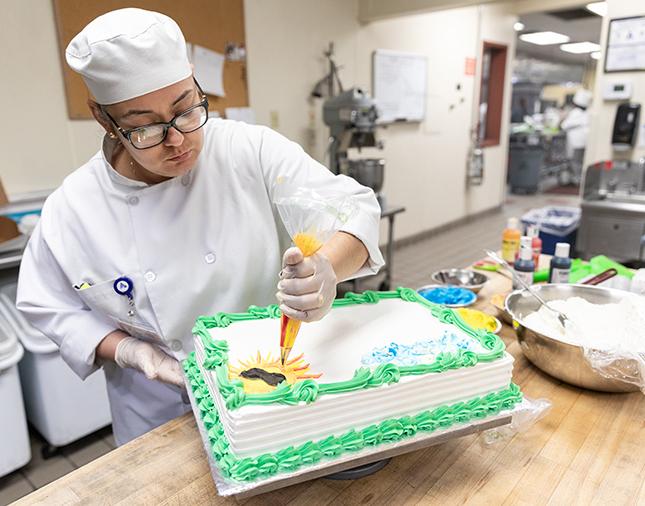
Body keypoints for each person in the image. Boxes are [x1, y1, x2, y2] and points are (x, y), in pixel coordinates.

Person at [16, 8, 384, 446]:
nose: (177, 140)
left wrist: (326, 267)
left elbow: (354, 209)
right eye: (145, 127)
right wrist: (128, 350)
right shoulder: (73, 207)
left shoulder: (250, 150)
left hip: (269, 385)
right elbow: (48, 303)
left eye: (186, 108)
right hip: (153, 407)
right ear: (103, 118)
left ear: (194, 80)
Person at [561, 89, 592, 159]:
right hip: (585, 143)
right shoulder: (587, 113)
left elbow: (564, 125)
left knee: (575, 162)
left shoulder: (576, 112)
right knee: (580, 161)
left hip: (576, 143)